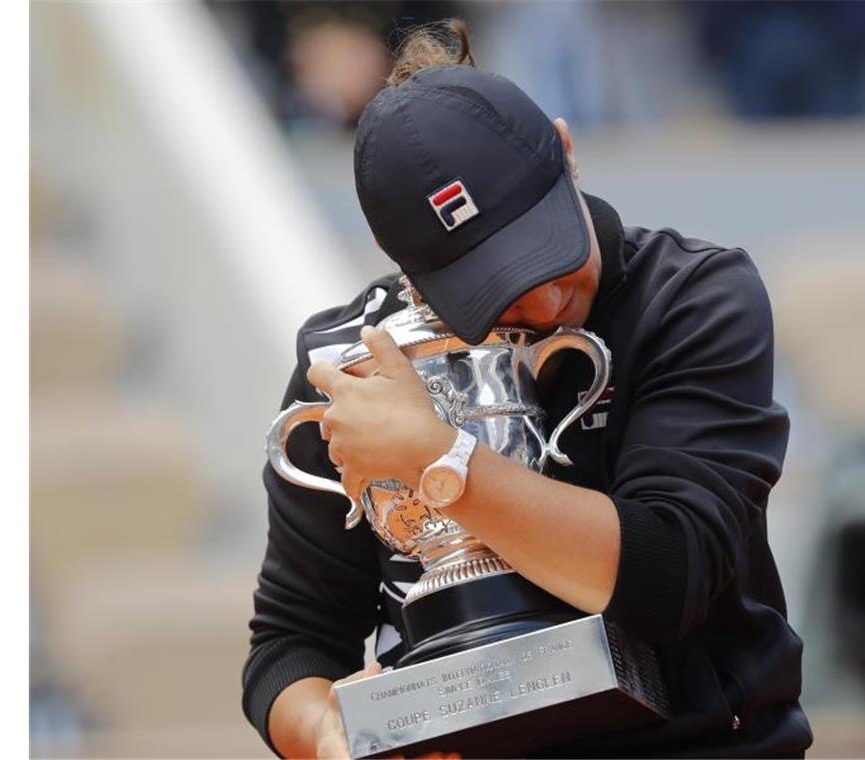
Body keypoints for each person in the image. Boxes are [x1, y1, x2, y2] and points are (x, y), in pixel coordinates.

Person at [242, 20, 813, 759]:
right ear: (402, 264)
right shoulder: (353, 365)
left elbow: (671, 575)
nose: (543, 307)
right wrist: (334, 737)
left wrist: (439, 461)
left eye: (546, 255)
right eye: (493, 292)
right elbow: (291, 643)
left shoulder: (693, 295)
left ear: (567, 153)